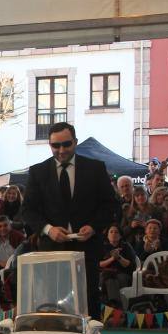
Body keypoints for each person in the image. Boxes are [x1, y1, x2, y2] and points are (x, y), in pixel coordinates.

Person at [21, 122, 117, 319]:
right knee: (53, 302)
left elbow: (110, 206)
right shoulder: (38, 171)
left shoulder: (95, 168)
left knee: (89, 300)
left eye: (66, 144)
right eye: (56, 146)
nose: (62, 150)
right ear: (49, 145)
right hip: (51, 249)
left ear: (76, 142)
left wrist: (93, 226)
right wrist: (48, 229)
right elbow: (28, 210)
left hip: (87, 248)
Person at [98, 224, 136, 307]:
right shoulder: (103, 247)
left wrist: (119, 257)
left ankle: (112, 307)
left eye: (116, 232)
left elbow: (129, 265)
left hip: (122, 273)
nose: (113, 234)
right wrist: (112, 258)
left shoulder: (126, 246)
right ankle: (117, 306)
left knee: (117, 279)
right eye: (111, 232)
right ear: (107, 235)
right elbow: (99, 264)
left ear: (120, 235)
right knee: (109, 279)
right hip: (106, 273)